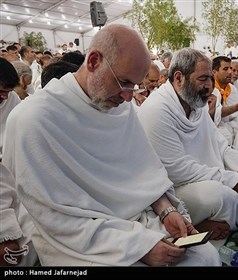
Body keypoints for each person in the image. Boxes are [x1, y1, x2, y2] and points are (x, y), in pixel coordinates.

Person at [2, 24, 220, 266]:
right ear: (94, 61)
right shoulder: (32, 120)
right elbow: (53, 217)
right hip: (80, 238)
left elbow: (144, 171)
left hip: (136, 218)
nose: (129, 96)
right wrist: (138, 247)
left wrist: (167, 210)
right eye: (124, 82)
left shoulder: (121, 106)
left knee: (204, 256)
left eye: (134, 86)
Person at [138, 48, 238, 240]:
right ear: (179, 78)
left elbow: (218, 142)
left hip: (206, 173)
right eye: (203, 79)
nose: (209, 86)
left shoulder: (194, 101)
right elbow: (177, 170)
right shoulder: (157, 110)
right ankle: (208, 220)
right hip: (174, 189)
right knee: (221, 196)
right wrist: (232, 180)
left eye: (210, 79)